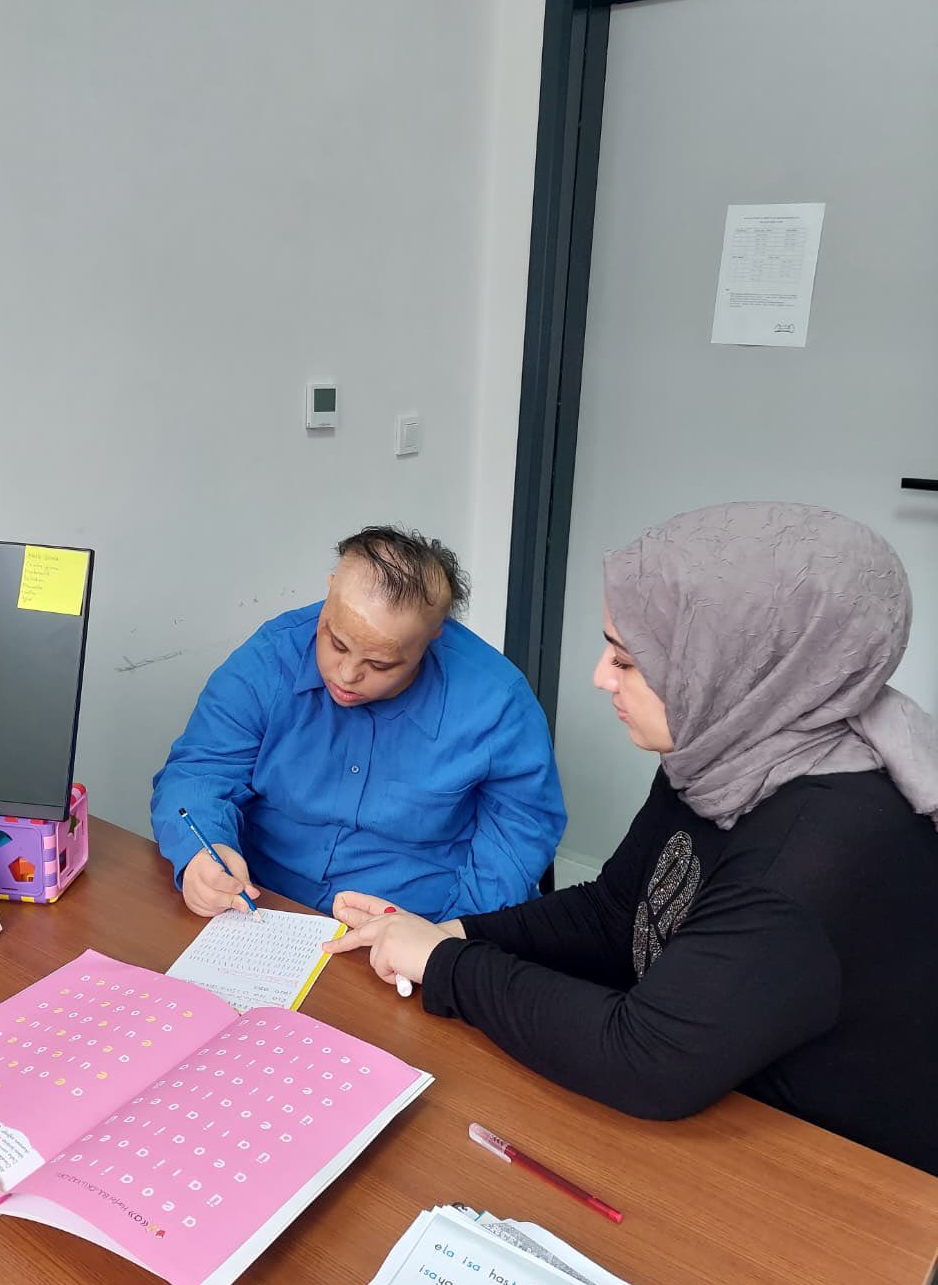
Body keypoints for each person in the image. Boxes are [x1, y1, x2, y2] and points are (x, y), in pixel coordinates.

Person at [325, 502, 938, 1173]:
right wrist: (455, 933)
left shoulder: (815, 851)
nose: (600, 677)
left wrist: (446, 964)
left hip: (833, 1167)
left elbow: (645, 1058)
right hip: (719, 1090)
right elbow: (615, 910)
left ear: (729, 668)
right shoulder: (723, 750)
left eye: (626, 660)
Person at [151, 526, 565, 921]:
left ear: (432, 636)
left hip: (415, 921)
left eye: (380, 664)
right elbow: (201, 771)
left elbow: (519, 835)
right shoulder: (270, 660)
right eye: (336, 642)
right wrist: (202, 851)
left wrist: (448, 936)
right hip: (262, 906)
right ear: (330, 589)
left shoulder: (497, 702)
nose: (346, 675)